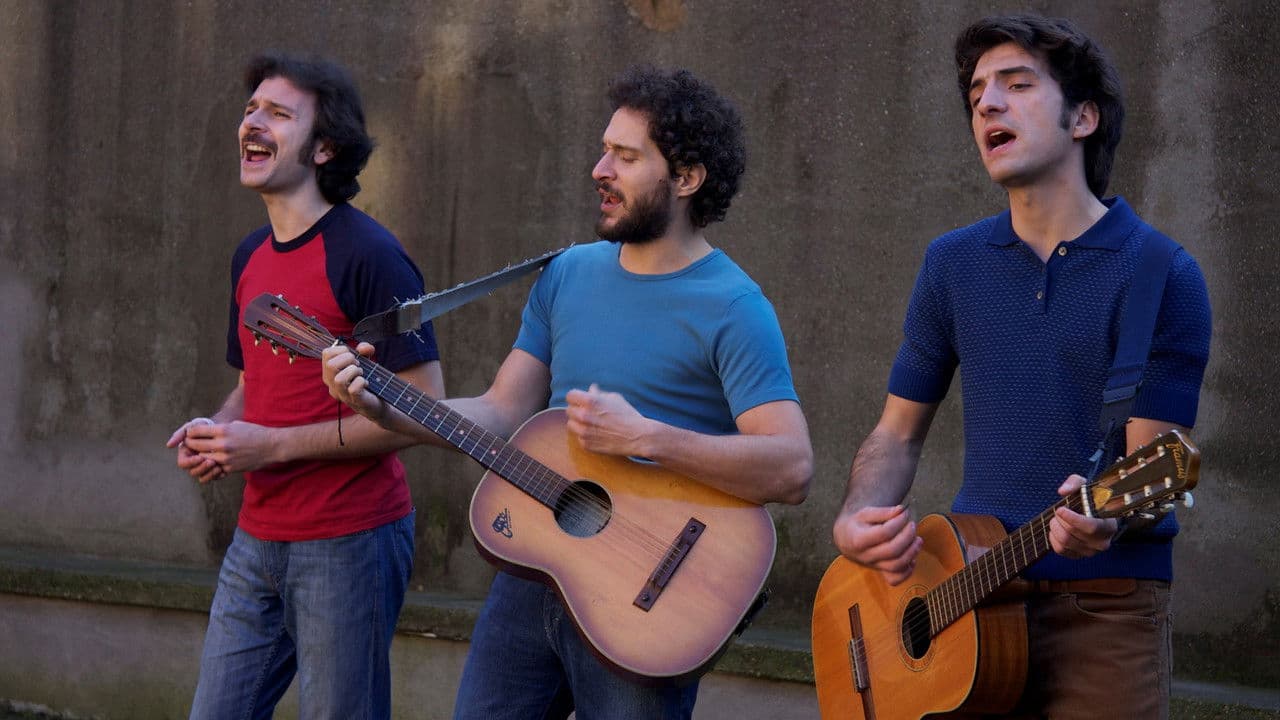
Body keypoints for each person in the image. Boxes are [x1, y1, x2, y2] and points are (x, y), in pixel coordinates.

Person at [322, 65, 813, 719]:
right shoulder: (568, 274)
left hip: (649, 602)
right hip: (534, 569)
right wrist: (384, 408)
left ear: (687, 179)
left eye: (626, 157)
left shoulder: (735, 307)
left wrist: (646, 437)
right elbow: (500, 412)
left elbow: (791, 466)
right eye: (604, 149)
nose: (599, 170)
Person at [831, 14, 1210, 720]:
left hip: (1105, 611)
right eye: (977, 93)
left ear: (1083, 118)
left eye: (1016, 84)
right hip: (962, 601)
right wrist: (856, 515)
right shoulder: (951, 263)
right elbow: (896, 435)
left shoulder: (1163, 274)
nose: (987, 104)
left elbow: (1156, 468)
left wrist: (1108, 523)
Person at [166, 52, 444, 719]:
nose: (252, 123)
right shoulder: (249, 255)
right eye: (250, 109)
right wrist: (220, 430)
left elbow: (426, 409)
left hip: (349, 540)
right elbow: (253, 385)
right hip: (256, 538)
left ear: (325, 148)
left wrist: (271, 447)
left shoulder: (371, 255)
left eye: (278, 113)